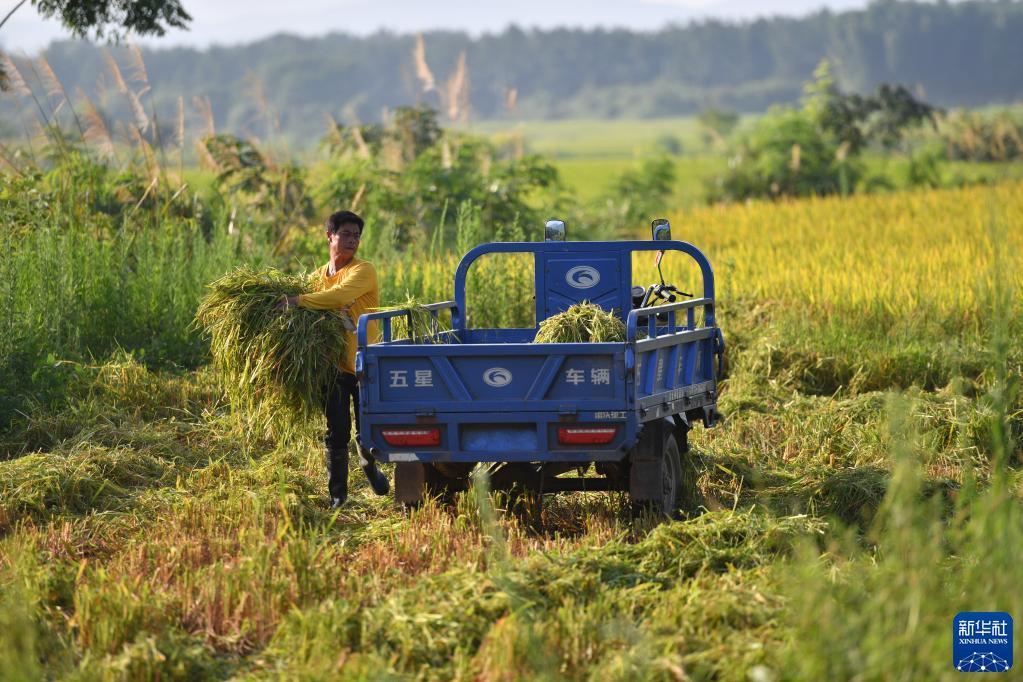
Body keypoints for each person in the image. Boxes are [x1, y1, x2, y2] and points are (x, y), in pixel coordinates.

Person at [276, 210, 388, 508]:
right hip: (332, 366)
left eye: (357, 236)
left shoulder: (363, 271)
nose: (352, 240)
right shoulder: (315, 278)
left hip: (364, 364)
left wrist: (297, 301)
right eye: (346, 234)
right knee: (336, 432)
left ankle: (369, 467)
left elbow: (338, 296)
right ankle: (338, 495)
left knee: (366, 432)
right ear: (330, 236)